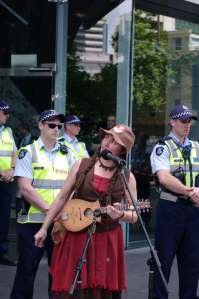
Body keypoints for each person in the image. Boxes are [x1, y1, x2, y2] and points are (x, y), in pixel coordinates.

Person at [34, 124, 138, 299]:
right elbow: (61, 198)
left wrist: (121, 214)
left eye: (114, 142)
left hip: (106, 240)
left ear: (122, 150)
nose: (107, 142)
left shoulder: (127, 177)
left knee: (100, 291)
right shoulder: (81, 165)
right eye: (107, 137)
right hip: (76, 237)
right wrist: (44, 228)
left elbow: (134, 215)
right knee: (74, 289)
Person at [10, 109, 75, 299]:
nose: (56, 129)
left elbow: (73, 188)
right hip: (32, 223)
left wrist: (61, 212)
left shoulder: (68, 154)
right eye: (51, 125)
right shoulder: (27, 152)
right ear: (40, 125)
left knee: (58, 274)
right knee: (26, 272)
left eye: (59, 126)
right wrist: (50, 210)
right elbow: (25, 188)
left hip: (60, 223)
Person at [150, 105, 199, 299]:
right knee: (163, 263)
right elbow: (164, 178)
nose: (187, 125)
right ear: (172, 121)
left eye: (190, 121)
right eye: (182, 120)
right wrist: (190, 192)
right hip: (170, 210)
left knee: (192, 265)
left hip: (193, 213)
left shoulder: (197, 147)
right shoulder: (162, 147)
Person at [0, 99, 17, 266]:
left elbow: (14, 152)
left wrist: (12, 169)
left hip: (5, 182)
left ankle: (2, 252)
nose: (8, 116)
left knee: (4, 218)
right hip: (2, 176)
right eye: (5, 112)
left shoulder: (8, 131)